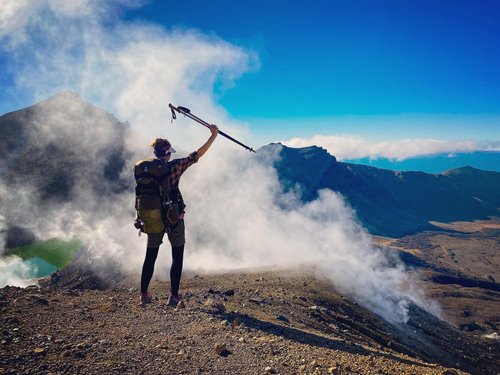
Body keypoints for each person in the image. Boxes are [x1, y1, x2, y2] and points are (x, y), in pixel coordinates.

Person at [139, 124, 218, 306]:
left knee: (150, 256)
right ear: (167, 152)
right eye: (170, 152)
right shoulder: (174, 167)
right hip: (173, 217)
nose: (171, 155)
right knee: (177, 255)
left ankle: (144, 294)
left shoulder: (145, 170)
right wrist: (213, 136)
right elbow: (196, 155)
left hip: (152, 218)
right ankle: (173, 296)